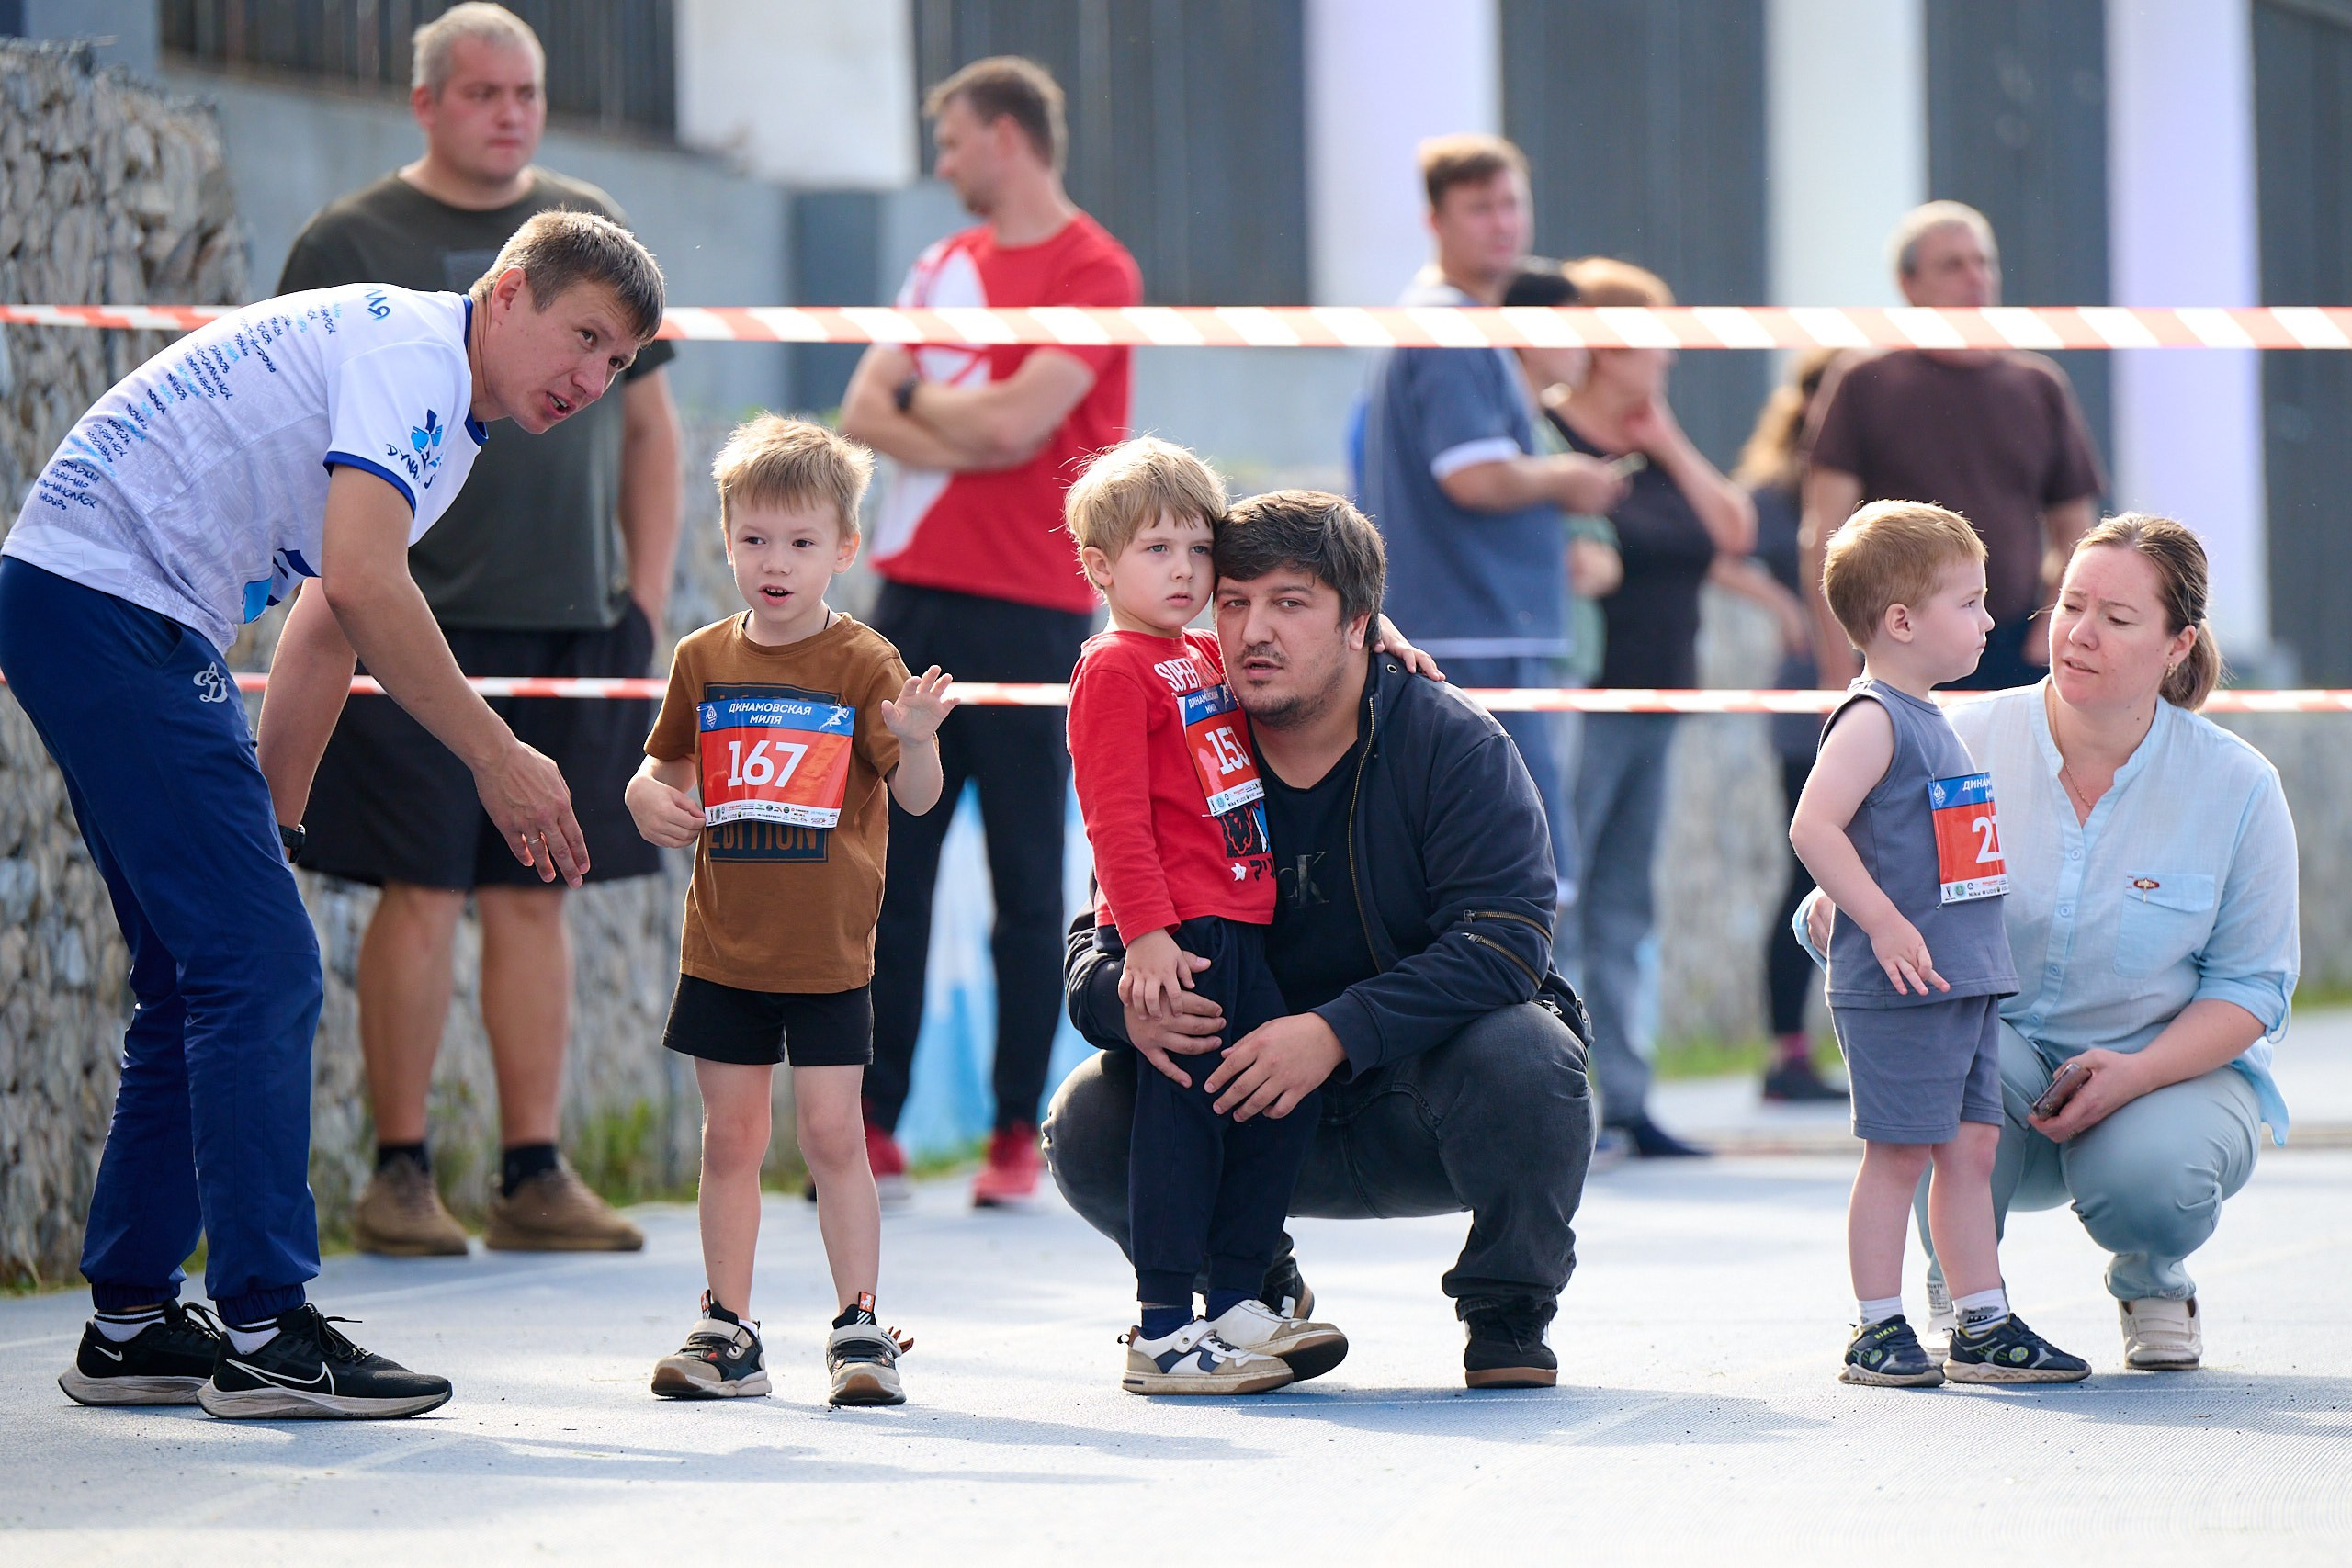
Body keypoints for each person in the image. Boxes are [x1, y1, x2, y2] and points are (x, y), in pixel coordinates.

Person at [22, 209, 668, 1419]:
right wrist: (497, 754)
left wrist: (270, 823)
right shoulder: (411, 356)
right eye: (582, 336)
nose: (591, 379)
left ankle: (128, 1322)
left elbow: (324, 617)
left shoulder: (452, 421)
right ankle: (266, 1327)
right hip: (106, 599)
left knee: (203, 961)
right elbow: (368, 585)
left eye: (619, 362)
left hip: (113, 605)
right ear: (509, 291)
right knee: (261, 964)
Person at [276, 2, 681, 1258]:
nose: (511, 114)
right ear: (428, 104)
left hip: (571, 616)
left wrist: (646, 598)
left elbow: (652, 429)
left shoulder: (586, 230)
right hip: (407, 618)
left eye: (528, 94)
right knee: (425, 882)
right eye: (485, 92)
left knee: (536, 888)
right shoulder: (353, 237)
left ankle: (533, 1168)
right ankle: (400, 1171)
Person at [1047, 491, 1597, 1392]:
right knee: (1091, 1117)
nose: (1253, 630)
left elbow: (1506, 943)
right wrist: (1128, 1004)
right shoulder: (1184, 729)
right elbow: (1096, 936)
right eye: (1233, 601)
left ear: (1359, 625)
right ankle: (1244, 1290)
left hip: (1415, 1097)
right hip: (1241, 1097)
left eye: (1290, 603)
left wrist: (1336, 1030)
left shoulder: (1448, 742)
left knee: (1529, 1057)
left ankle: (1507, 1312)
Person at [1804, 514, 2298, 1373]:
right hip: (2002, 1039)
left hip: (2162, 1066)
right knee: (1940, 1094)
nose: (2079, 632)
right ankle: (1963, 1303)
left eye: (2117, 616)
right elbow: (1858, 863)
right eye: (2071, 603)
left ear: (2178, 644)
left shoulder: (2240, 786)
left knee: (2157, 1172)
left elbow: (2254, 987)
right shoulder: (1958, 735)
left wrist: (2138, 1071)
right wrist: (1845, 911)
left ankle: (2152, 1277)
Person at [840, 56, 1143, 1206]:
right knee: (888, 872)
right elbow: (862, 409)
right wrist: (944, 421)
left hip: (1029, 607)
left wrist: (933, 410)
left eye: (954, 139)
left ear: (1007, 137)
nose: (942, 161)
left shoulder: (1094, 267)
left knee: (1028, 878)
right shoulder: (939, 264)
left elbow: (1023, 429)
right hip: (911, 605)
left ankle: (1019, 1135)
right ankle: (873, 1124)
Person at [626, 417, 955, 1407]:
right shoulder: (702, 659)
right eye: (756, 540)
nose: (776, 563)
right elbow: (661, 768)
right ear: (725, 540)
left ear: (843, 550)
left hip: (827, 958)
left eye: (802, 542)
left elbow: (918, 798)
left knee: (830, 1138)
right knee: (729, 1139)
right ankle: (727, 1327)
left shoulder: (864, 664)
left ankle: (861, 1325)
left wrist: (923, 740)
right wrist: (645, 796)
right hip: (722, 947)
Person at [1062, 440, 1347, 1395]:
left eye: (1196, 548)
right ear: (1100, 567)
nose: (1184, 569)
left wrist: (1376, 643)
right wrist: (1141, 933)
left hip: (1237, 923)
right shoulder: (1112, 667)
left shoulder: (1196, 653)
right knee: (1181, 1126)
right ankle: (1159, 1331)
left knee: (1273, 1104)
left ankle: (1236, 1304)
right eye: (1156, 551)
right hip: (1172, 934)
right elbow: (1111, 813)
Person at [1789, 501, 2089, 1388]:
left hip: (1961, 981)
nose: (1991, 620)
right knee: (1899, 1152)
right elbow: (1814, 826)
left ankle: (1981, 1320)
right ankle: (1877, 1325)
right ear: (1901, 622)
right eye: (1971, 602)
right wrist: (1878, 918)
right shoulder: (1873, 718)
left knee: (1971, 1151)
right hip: (1903, 985)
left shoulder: (1931, 717)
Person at [1360, 137, 1625, 926]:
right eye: (1480, 207)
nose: (1502, 224)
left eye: (1511, 203)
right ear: (1434, 220)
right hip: (1473, 630)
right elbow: (1471, 474)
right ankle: (1535, 1046)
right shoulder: (1453, 328)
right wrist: (1571, 478)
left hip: (1466, 624)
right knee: (1522, 876)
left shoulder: (1444, 322)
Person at [1544, 257, 1756, 1159]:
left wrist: (1664, 439)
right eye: (1650, 342)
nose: (1666, 358)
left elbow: (1733, 532)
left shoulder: (1655, 447)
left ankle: (1627, 1099)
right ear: (1602, 344)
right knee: (1567, 898)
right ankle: (1559, 1096)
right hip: (1580, 701)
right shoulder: (1549, 436)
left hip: (1659, 699)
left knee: (1629, 899)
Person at [1801, 202, 2105, 693]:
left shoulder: (2038, 386)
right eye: (1953, 264)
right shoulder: (1865, 382)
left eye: (1983, 261)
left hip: (2011, 642)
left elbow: (2076, 529)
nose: (1975, 277)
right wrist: (1839, 663)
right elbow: (1824, 535)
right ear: (1909, 284)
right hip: (1899, 644)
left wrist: (2050, 629)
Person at [1724, 348, 1846, 1101]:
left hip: (1887, 693)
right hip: (1810, 705)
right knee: (1807, 875)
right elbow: (1715, 546)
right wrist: (1783, 605)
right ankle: (1786, 1053)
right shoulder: (1776, 490)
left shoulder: (1882, 478)